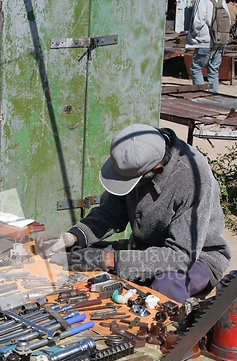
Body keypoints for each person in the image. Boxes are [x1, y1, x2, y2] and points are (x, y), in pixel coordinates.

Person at [35, 123, 231, 303]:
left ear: (157, 169)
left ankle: (172, 337)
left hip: (195, 258)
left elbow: (181, 256)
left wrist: (111, 260)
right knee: (77, 254)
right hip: (144, 248)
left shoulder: (194, 180)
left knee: (166, 286)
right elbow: (110, 214)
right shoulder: (139, 149)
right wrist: (73, 237)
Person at [185, 0, 230, 93]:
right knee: (213, 70)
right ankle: (212, 97)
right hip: (220, 40)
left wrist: (192, 34)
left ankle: (200, 95)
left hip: (204, 40)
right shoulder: (221, 1)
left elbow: (198, 20)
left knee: (196, 68)